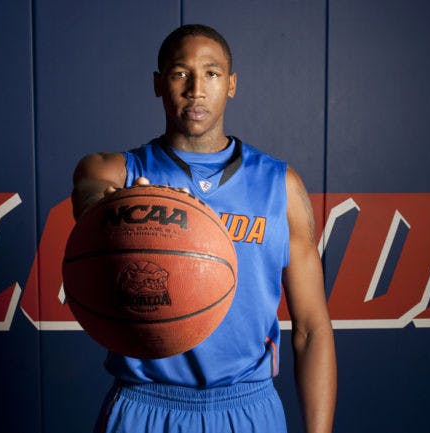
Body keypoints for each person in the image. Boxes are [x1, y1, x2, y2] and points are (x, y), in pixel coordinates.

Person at [72, 24, 336, 433]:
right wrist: (117, 211)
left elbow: (312, 329)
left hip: (248, 406)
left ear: (231, 85)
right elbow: (90, 193)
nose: (196, 88)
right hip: (146, 405)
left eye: (211, 73)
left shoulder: (280, 186)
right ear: (159, 84)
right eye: (180, 73)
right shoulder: (121, 173)